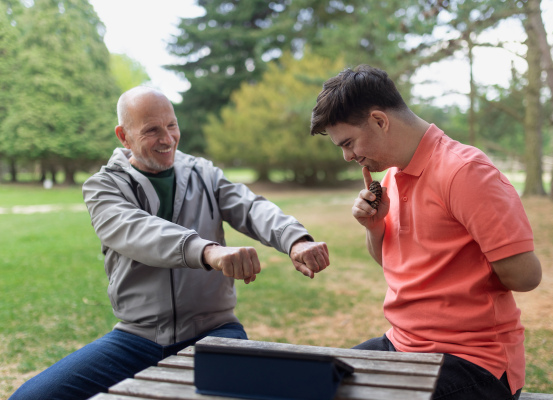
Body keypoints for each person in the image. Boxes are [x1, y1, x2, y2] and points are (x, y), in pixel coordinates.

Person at [11, 86, 330, 400]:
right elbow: (139, 232)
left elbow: (250, 207)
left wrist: (295, 239)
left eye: (172, 125)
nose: (167, 138)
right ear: (124, 136)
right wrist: (209, 252)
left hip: (214, 332)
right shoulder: (104, 186)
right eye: (152, 130)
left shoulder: (204, 173)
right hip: (137, 339)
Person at [310, 65, 542, 400]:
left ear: (379, 120)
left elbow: (525, 277)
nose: (348, 156)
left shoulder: (465, 172)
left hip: (472, 360)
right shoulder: (390, 176)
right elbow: (396, 264)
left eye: (348, 142)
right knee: (315, 385)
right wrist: (374, 229)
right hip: (402, 344)